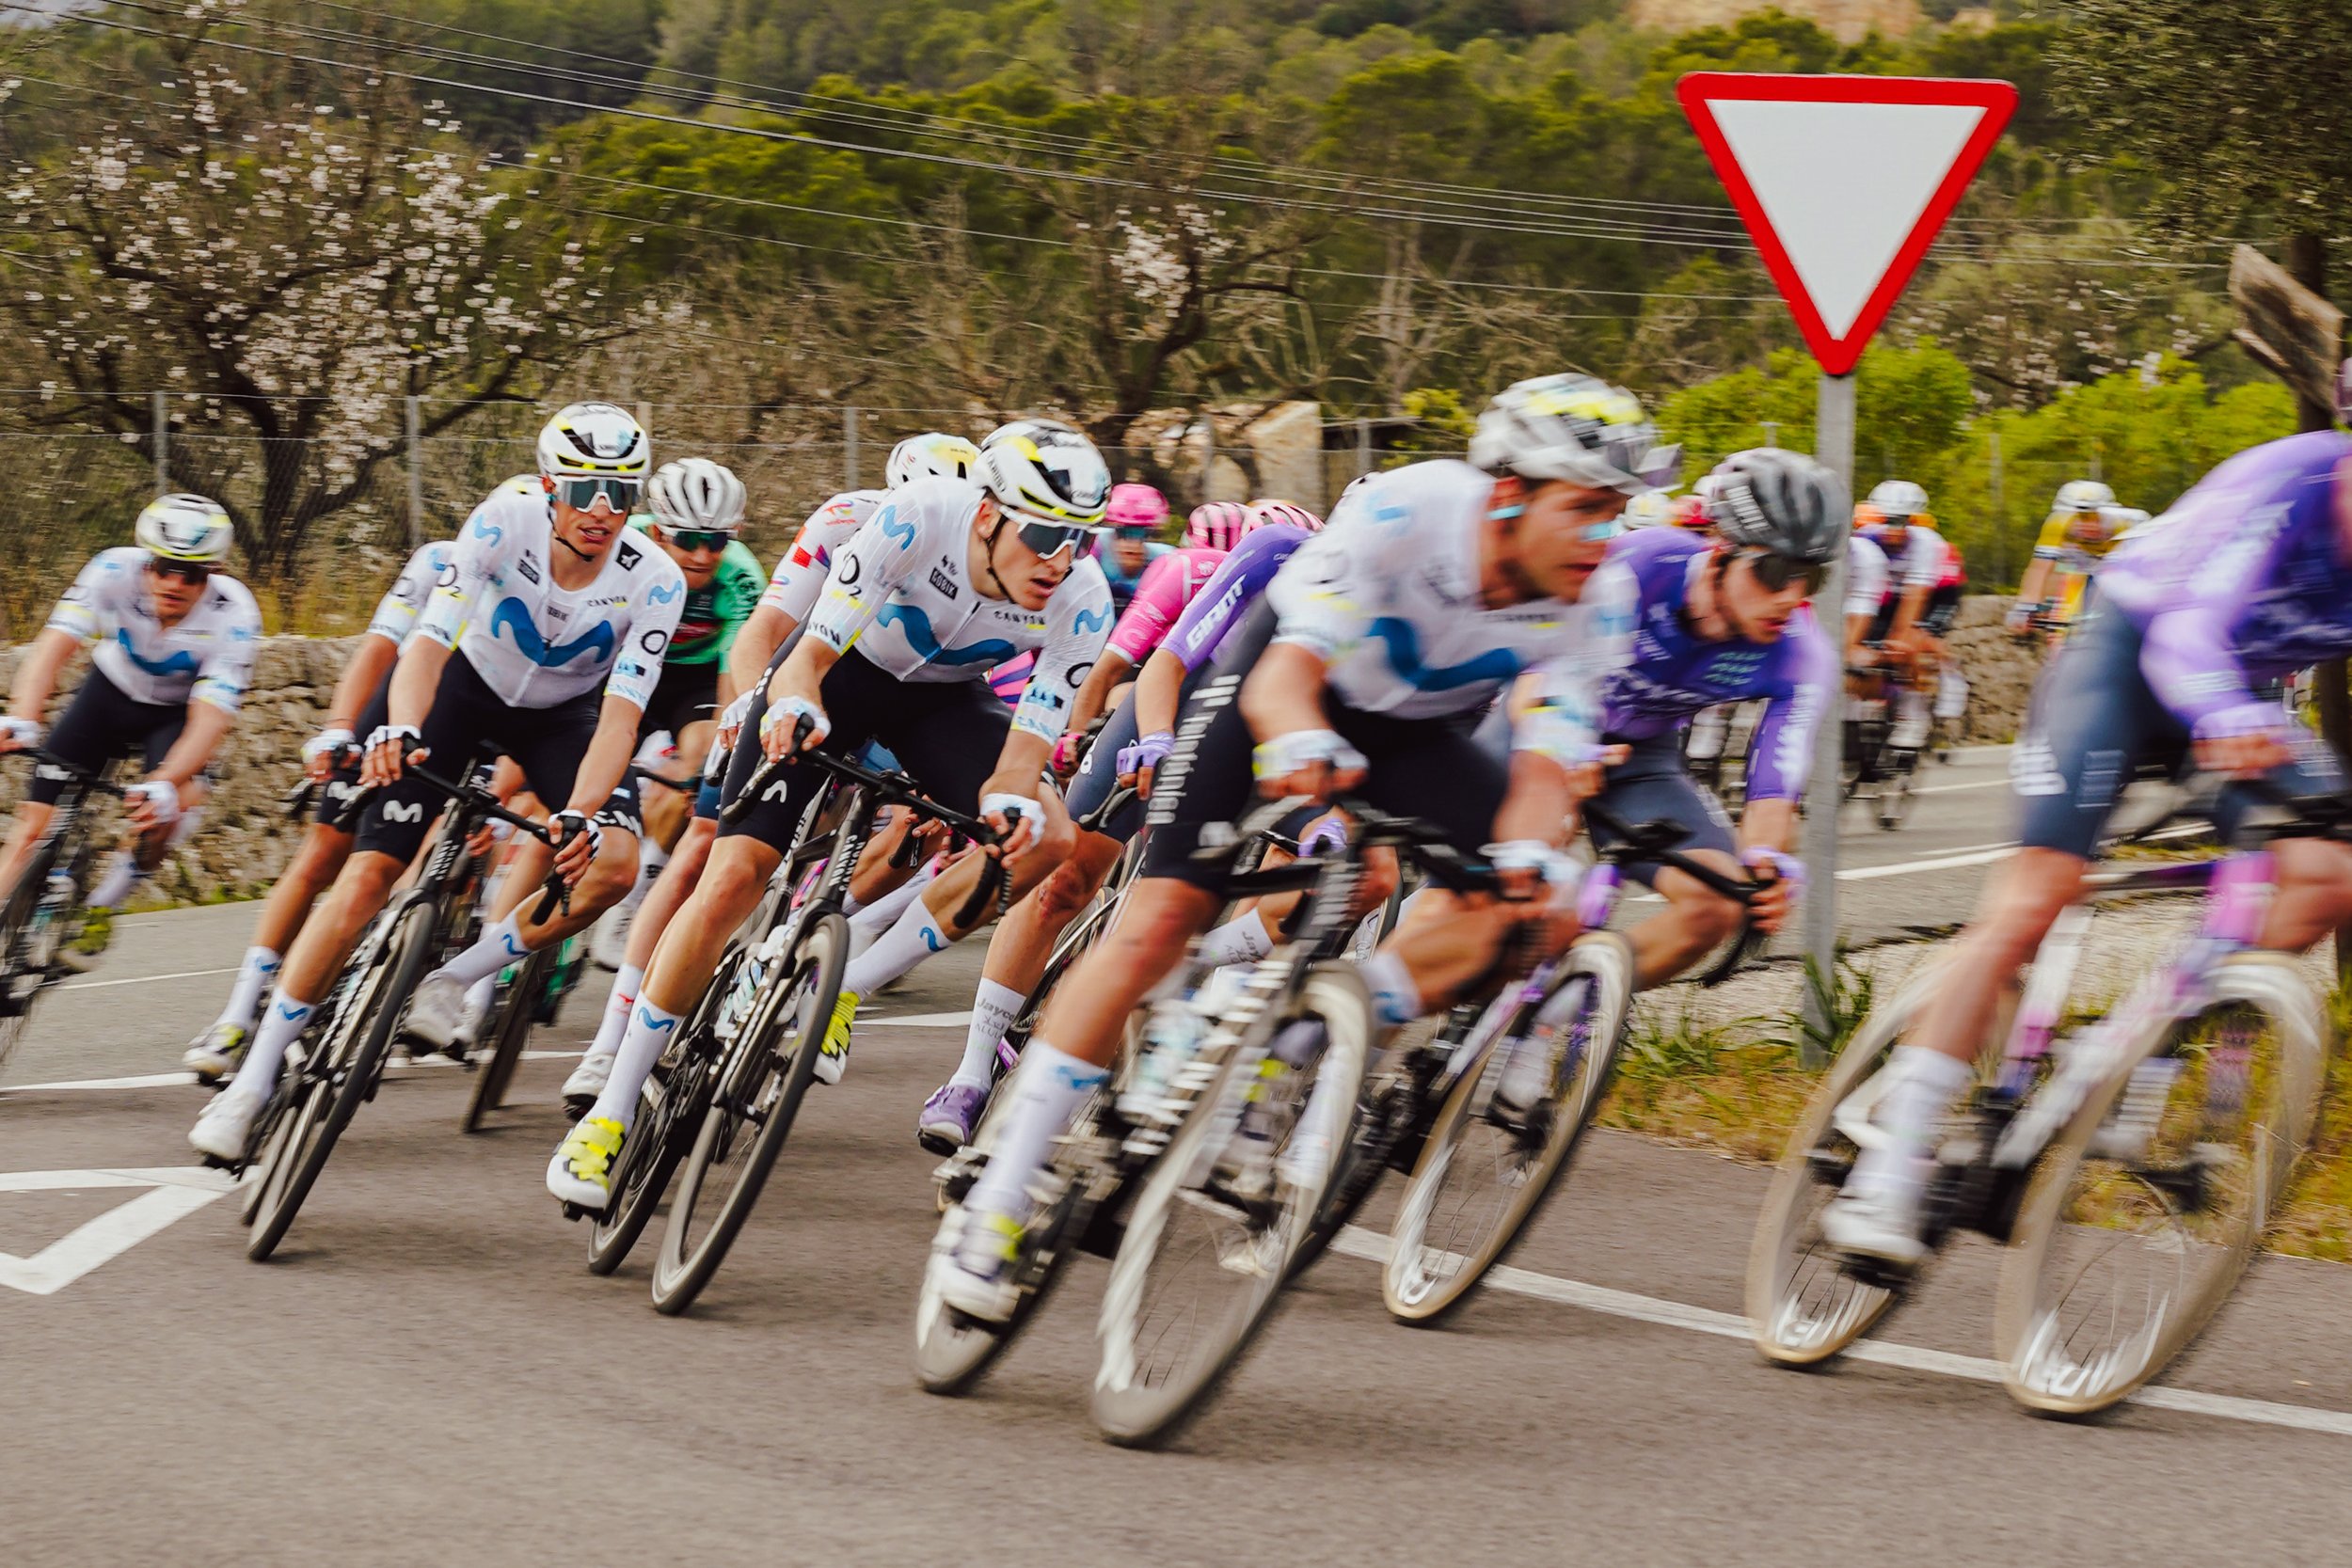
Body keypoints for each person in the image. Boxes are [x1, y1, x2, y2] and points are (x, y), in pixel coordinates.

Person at [929, 372, 1663, 1321]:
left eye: (1618, 513)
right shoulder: (1410, 510)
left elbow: (1543, 764)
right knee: (1158, 923)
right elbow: (1284, 677)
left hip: (1411, 732)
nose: (1604, 537)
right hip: (1278, 688)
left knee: (1531, 911)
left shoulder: (1592, 601)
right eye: (1587, 508)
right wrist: (1301, 743)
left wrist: (1526, 859)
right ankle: (999, 1194)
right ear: (1512, 492)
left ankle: (1323, 1023)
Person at [1820, 414, 2352, 1270]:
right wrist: (2223, 715)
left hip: (2241, 692)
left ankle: (2138, 1058)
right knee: (2033, 898)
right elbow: (2189, 630)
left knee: (2326, 878)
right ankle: (1890, 1164)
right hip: (2131, 656)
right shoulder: (2293, 478)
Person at [547, 420, 1114, 1209]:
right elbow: (807, 651)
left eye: (1080, 539)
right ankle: (608, 1111)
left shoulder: (1082, 597)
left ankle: (841, 981)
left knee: (1046, 835)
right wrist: (783, 707)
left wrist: (1002, 807)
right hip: (845, 672)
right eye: (1044, 532)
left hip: (947, 704)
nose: (1060, 559)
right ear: (987, 514)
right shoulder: (913, 517)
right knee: (736, 870)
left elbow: (1025, 751)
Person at [189, 402, 682, 1162]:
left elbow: (620, 718)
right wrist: (398, 728)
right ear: (550, 484)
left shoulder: (655, 577)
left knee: (614, 865)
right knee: (365, 877)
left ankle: (453, 979)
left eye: (622, 494)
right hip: (462, 691)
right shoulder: (504, 520)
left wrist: (582, 814)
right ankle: (250, 1082)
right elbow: (426, 641)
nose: (602, 511)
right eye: (585, 490)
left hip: (560, 720)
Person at [558, 433, 978, 1115]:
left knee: (918, 827)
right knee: (705, 850)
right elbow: (761, 632)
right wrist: (756, 707)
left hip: (898, 717)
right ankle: (612, 1040)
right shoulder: (847, 520)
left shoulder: (990, 566)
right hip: (807, 693)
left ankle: (812, 948)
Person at [914, 499, 1325, 1152]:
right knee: (1065, 881)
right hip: (1167, 707)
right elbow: (1132, 667)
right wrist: (1108, 738)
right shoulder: (1202, 571)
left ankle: (1152, 1001)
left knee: (1255, 903)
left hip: (1252, 736)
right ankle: (970, 1073)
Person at [1563, 448, 1837, 1002]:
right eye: (1775, 571)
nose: (1792, 597)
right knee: (1511, 879)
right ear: (1719, 552)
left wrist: (1765, 865)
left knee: (1717, 901)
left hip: (1641, 755)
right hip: (1541, 723)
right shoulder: (1641, 566)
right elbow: (1539, 663)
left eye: (1812, 578)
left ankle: (1555, 1014)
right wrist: (1557, 753)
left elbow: (1773, 791)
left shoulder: (1799, 653)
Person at [181, 533, 456, 1080]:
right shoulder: (440, 562)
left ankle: (379, 986)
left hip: (487, 727)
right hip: (402, 706)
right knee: (323, 853)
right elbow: (379, 648)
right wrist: (337, 731)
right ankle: (237, 1015)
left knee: (433, 859)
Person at [0, 496, 259, 942]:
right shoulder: (113, 570)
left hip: (176, 716)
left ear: (212, 574)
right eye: (163, 567)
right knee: (30, 828)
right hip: (108, 693)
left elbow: (210, 718)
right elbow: (54, 645)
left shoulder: (234, 615)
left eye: (192, 574)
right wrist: (22, 716)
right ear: (146, 564)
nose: (174, 583)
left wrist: (165, 781)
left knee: (169, 814)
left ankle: (106, 902)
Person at [584, 458, 760, 972]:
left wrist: (722, 751)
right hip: (624, 662)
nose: (704, 554)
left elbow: (737, 670)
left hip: (696, 677)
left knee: (702, 759)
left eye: (718, 540)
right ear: (658, 530)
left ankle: (635, 899)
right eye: (687, 539)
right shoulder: (623, 548)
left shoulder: (740, 575)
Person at [1856, 481, 1947, 749]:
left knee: (1911, 642)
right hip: (1881, 594)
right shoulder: (1863, 538)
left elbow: (1915, 597)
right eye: (1887, 520)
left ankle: (1913, 712)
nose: (1894, 528)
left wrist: (1899, 641)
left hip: (1930, 593)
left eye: (1902, 521)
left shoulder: (1926, 544)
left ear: (1913, 521)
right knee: (1863, 649)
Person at [1092, 483, 1173, 613]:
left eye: (1141, 534)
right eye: (1121, 533)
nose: (1131, 544)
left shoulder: (1168, 560)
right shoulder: (1094, 548)